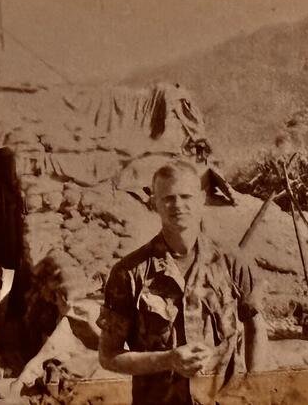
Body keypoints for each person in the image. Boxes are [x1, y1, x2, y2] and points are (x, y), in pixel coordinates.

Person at [97, 160, 269, 405]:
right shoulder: (129, 273)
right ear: (154, 203)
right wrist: (167, 360)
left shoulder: (232, 262)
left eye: (186, 196)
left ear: (201, 199)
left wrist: (255, 386)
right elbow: (108, 356)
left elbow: (256, 326)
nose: (178, 205)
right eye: (168, 198)